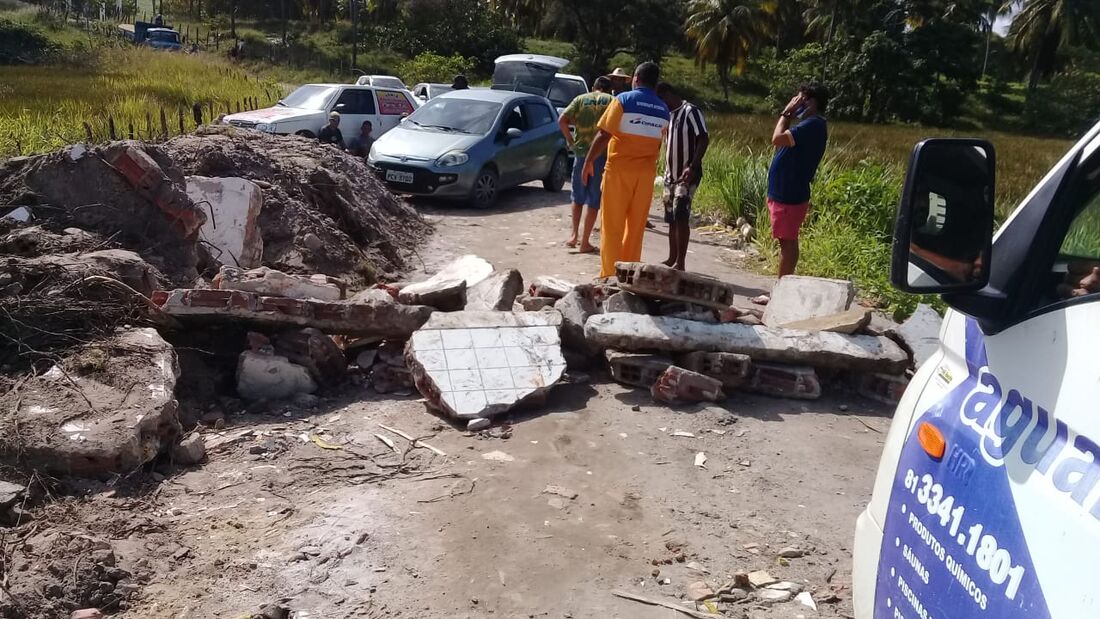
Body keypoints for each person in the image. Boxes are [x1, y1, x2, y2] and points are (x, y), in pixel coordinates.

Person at [582, 61, 670, 279]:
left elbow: (604, 135)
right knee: (636, 227)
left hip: (619, 171)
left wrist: (588, 161)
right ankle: (629, 275)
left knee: (612, 225)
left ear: (636, 80)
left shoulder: (623, 100)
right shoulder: (663, 109)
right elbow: (660, 143)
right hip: (646, 175)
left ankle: (609, 275)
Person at [755, 83, 829, 303]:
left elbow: (776, 139)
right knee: (787, 242)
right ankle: (782, 290)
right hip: (786, 191)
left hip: (790, 193)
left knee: (787, 244)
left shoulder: (813, 125)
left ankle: (779, 295)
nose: (797, 103)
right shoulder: (809, 125)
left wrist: (786, 113)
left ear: (812, 102)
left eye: (801, 99)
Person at [656, 83, 709, 271]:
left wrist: (693, 166)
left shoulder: (690, 111)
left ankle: (681, 261)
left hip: (687, 174)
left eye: (662, 101)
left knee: (681, 214)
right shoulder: (670, 115)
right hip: (671, 174)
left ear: (668, 95)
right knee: (670, 216)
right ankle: (672, 257)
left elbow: (703, 138)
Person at [558, 76, 614, 253]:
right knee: (594, 199)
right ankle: (585, 241)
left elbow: (562, 120)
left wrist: (570, 141)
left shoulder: (580, 99)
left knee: (578, 195)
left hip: (581, 154)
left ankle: (574, 235)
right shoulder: (613, 101)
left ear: (593, 87)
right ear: (609, 89)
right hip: (601, 155)